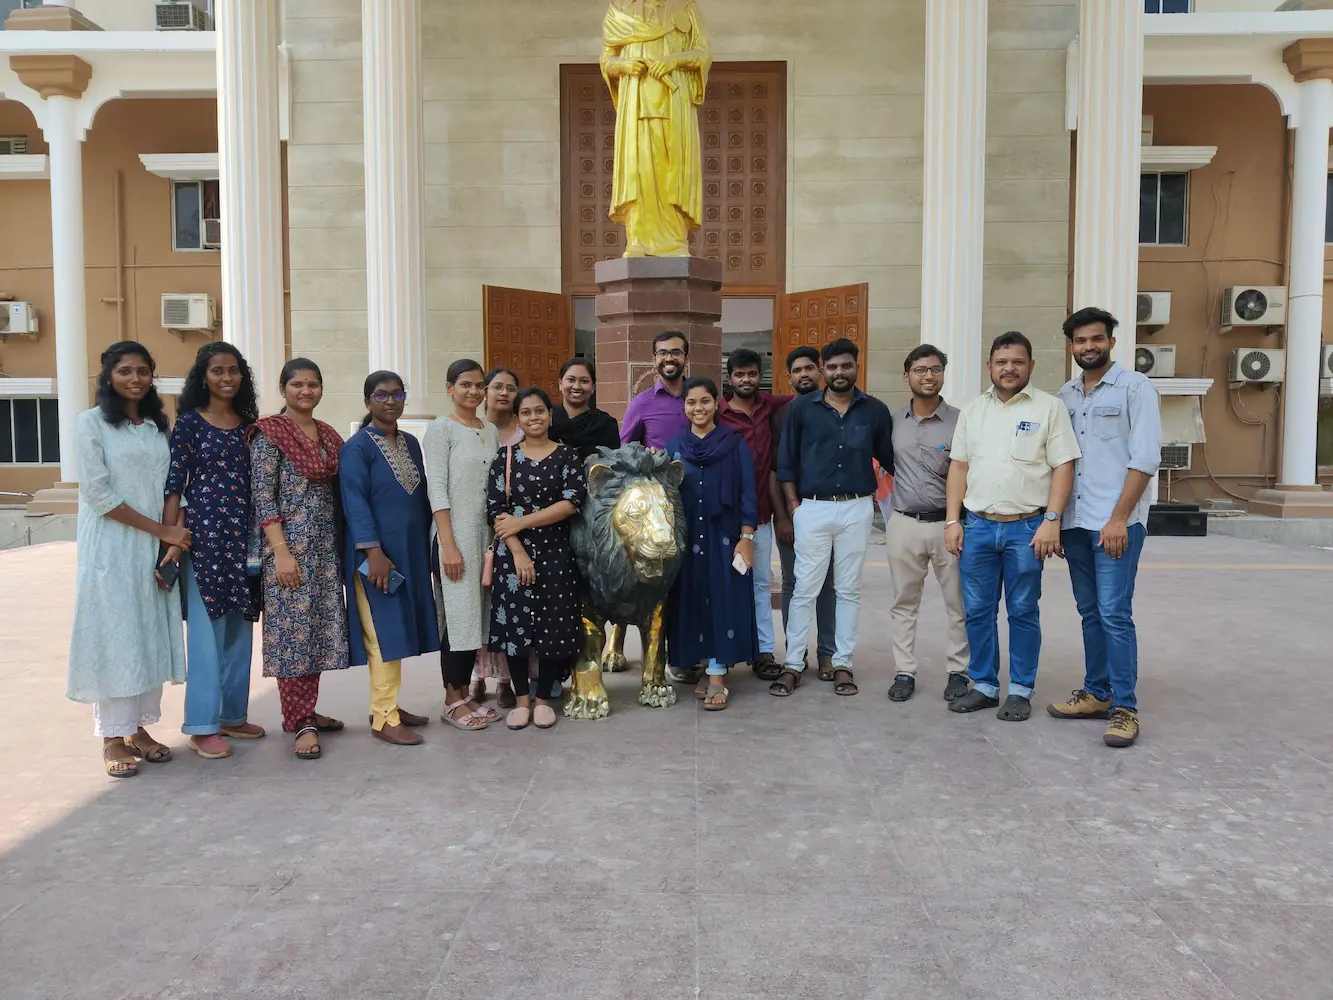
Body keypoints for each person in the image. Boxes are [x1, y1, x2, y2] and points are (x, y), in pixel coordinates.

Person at [67, 343, 190, 777]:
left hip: (154, 548)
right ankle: (112, 738)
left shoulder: (156, 427)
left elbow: (174, 485)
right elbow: (98, 494)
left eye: (142, 371)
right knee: (116, 635)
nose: (135, 379)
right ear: (108, 376)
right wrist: (162, 531)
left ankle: (138, 729)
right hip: (113, 547)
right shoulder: (92, 423)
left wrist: (172, 543)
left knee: (146, 633)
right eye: (124, 371)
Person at [946, 331, 1081, 722]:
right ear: (989, 366)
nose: (1009, 368)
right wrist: (953, 520)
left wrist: (1051, 521)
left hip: (1027, 529)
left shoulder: (1049, 408)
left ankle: (1020, 689)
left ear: (1031, 366)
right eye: (1002, 362)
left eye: (1017, 362)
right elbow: (959, 466)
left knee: (1022, 610)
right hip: (978, 528)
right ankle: (985, 685)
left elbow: (1063, 466)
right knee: (977, 611)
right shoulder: (973, 411)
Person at [1047, 307, 1162, 748]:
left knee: (1115, 614)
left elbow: (1145, 457)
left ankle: (1126, 708)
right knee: (1090, 612)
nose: (1088, 347)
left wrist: (1118, 518)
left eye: (1096, 339)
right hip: (1076, 524)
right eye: (1080, 341)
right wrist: (1055, 521)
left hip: (1117, 524)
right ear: (1071, 346)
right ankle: (1097, 693)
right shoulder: (1066, 394)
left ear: (1112, 341)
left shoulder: (1135, 387)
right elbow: (1062, 461)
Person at [774, 339, 894, 698]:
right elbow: (786, 463)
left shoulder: (874, 410)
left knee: (848, 590)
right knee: (804, 589)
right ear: (823, 370)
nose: (839, 372)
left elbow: (890, 459)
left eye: (846, 366)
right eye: (832, 367)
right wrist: (795, 507)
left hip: (857, 508)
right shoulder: (802, 409)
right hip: (812, 508)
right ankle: (794, 664)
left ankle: (842, 662)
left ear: (857, 367)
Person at [163, 343, 262, 760]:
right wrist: (169, 537)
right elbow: (174, 482)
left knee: (240, 626)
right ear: (203, 376)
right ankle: (202, 725)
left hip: (245, 536)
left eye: (234, 371)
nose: (227, 377)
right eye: (218, 370)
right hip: (203, 537)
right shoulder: (189, 424)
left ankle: (231, 715)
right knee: (207, 631)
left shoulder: (250, 425)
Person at [249, 359, 350, 760]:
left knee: (317, 634)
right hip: (288, 550)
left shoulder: (328, 435)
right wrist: (281, 552)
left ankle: (306, 711)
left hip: (324, 550)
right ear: (282, 388)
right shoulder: (269, 434)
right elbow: (263, 496)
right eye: (297, 384)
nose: (305, 391)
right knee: (292, 637)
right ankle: (300, 723)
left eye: (313, 384)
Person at [341, 371, 440, 745]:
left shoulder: (412, 443)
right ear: (367, 401)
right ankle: (384, 718)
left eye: (397, 394)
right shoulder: (356, 448)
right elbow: (355, 502)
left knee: (399, 630)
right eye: (381, 395)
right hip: (377, 558)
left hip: (408, 553)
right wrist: (373, 551)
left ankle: (388, 705)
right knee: (382, 634)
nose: (390, 401)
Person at [486, 388, 586, 731]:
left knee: (553, 626)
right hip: (512, 555)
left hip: (556, 552)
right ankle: (521, 700)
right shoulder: (505, 458)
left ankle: (543, 698)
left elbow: (572, 502)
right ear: (517, 418)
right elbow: (496, 510)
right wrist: (517, 549)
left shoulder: (568, 457)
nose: (534, 418)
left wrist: (523, 521)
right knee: (515, 629)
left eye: (540, 411)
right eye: (526, 412)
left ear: (550, 414)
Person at [666, 378, 759, 711]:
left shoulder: (734, 444)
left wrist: (746, 538)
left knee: (723, 601)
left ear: (716, 403)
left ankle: (719, 674)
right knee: (692, 600)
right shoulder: (675, 446)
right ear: (684, 407)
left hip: (725, 538)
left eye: (705, 401)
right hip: (688, 538)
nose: (698, 409)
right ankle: (703, 666)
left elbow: (748, 492)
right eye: (691, 403)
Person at [884, 344, 970, 704]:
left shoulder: (961, 421)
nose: (928, 376)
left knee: (958, 602)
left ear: (943, 375)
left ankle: (959, 672)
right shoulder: (890, 421)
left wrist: (958, 519)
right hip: (903, 522)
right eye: (920, 370)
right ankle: (904, 670)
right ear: (907, 376)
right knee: (904, 602)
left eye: (935, 370)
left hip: (948, 524)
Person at [424, 359, 500, 731]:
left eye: (479, 385)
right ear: (450, 388)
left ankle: (464, 692)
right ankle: (450, 697)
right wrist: (448, 545)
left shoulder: (490, 429)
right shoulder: (441, 430)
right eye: (465, 385)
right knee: (456, 616)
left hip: (484, 538)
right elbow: (436, 488)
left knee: (477, 616)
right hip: (454, 536)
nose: (474, 391)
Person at [600, 0, 710, 257]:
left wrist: (675, 60)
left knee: (672, 168)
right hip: (635, 104)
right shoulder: (619, 11)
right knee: (639, 168)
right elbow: (607, 59)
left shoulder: (686, 8)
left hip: (675, 105)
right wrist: (624, 66)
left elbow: (704, 53)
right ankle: (638, 239)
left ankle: (674, 241)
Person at [717, 348, 791, 681]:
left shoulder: (769, 406)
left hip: (760, 517)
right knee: (724, 587)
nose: (746, 380)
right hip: (721, 518)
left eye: (752, 374)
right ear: (729, 378)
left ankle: (763, 652)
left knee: (761, 585)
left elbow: (805, 395)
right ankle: (726, 650)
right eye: (739, 374)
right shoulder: (717, 414)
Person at [770, 346, 836, 680]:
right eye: (797, 370)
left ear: (821, 372)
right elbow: (776, 470)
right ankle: (796, 655)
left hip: (833, 513)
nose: (804, 375)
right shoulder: (782, 415)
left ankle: (828, 655)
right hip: (795, 515)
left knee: (828, 585)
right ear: (789, 377)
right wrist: (784, 516)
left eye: (810, 368)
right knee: (794, 585)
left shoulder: (837, 408)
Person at [471, 366, 522, 710]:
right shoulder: (476, 431)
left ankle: (506, 678)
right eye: (497, 387)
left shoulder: (525, 431)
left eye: (511, 388)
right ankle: (477, 675)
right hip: (477, 527)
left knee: (507, 606)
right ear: (485, 392)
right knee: (477, 603)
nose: (504, 393)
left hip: (516, 528)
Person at [621, 330, 690, 450]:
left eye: (676, 352)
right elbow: (624, 451)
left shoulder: (700, 399)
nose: (669, 358)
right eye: (662, 353)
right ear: (654, 359)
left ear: (686, 358)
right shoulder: (640, 403)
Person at [550, 357, 621, 461]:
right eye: (571, 380)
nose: (577, 386)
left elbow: (612, 467)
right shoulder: (547, 418)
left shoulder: (605, 424)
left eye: (584, 381)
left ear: (593, 387)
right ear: (560, 384)